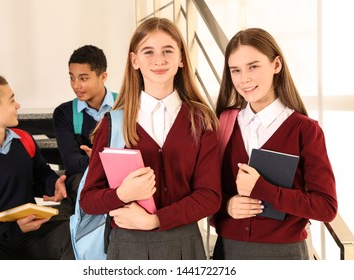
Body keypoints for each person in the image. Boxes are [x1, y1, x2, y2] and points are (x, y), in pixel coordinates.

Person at [80, 17, 222, 260]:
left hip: (184, 245)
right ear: (134, 60)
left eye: (168, 50)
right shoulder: (113, 123)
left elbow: (210, 197)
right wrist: (122, 194)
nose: (159, 59)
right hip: (127, 246)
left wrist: (155, 220)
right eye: (148, 52)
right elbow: (89, 200)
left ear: (181, 59)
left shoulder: (201, 120)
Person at [212, 28, 338, 260]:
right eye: (236, 70)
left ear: (276, 65)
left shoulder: (305, 130)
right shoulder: (223, 122)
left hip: (284, 254)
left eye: (253, 66)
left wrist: (262, 189)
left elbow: (325, 208)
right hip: (228, 250)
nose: (244, 79)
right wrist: (226, 206)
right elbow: (207, 190)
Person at [0, 73, 74, 259]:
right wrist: (12, 228)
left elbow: (41, 174)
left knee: (71, 235)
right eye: (11, 100)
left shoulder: (24, 139)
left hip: (31, 235)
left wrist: (53, 184)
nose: (17, 105)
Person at [52, 45, 116, 218]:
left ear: (103, 77)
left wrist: (94, 159)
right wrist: (108, 162)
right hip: (83, 181)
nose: (76, 85)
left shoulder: (126, 105)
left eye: (83, 78)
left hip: (120, 180)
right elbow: (72, 163)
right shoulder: (64, 113)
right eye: (72, 78)